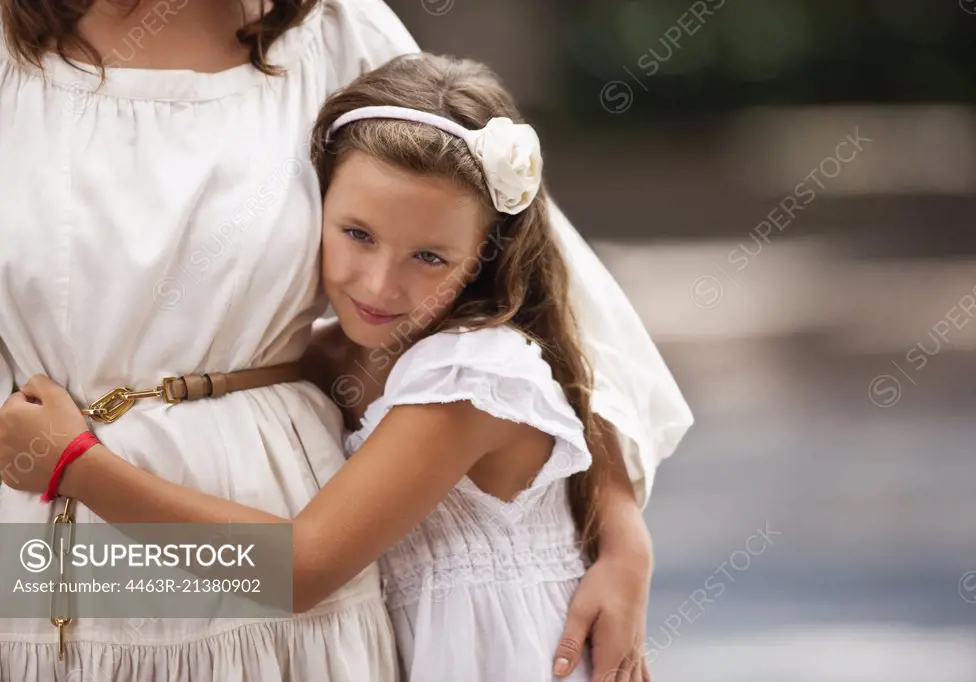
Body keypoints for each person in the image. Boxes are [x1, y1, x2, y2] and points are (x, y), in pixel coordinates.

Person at [0, 1, 693, 681]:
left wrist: (621, 533)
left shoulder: (336, 32)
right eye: (357, 236)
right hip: (26, 534)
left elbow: (553, 296)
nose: (382, 283)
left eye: (424, 260)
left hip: (276, 568)